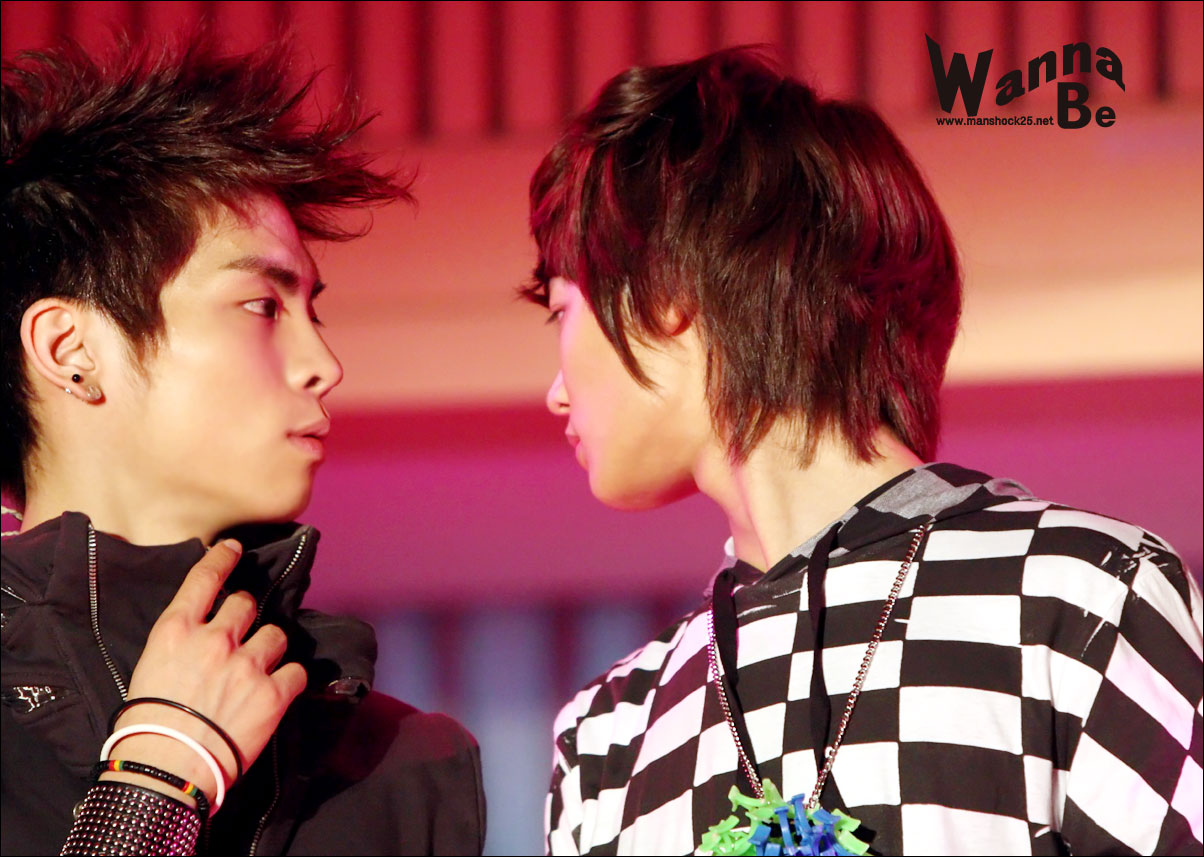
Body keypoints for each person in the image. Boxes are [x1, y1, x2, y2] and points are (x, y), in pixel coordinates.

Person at [523, 48, 1203, 856]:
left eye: (561, 310)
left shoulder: (1080, 597)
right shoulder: (609, 732)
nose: (555, 392)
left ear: (665, 293)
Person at [1, 34, 484, 856]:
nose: (324, 363)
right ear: (70, 349)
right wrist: (157, 777)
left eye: (314, 311)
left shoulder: (404, 764)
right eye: (262, 305)